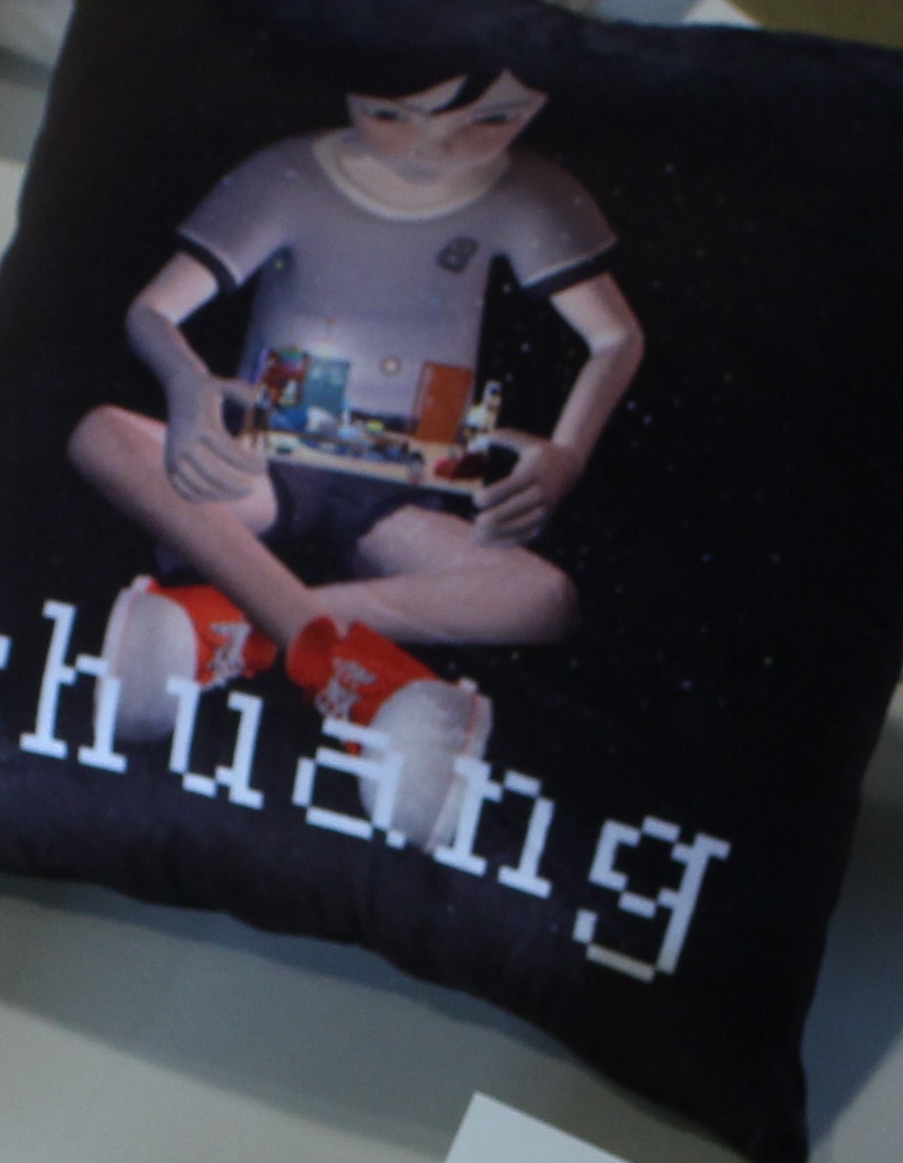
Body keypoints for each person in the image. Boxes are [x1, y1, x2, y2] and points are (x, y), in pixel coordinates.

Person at [77, 69, 641, 841]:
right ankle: (362, 678)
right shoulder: (287, 174)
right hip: (271, 459)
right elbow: (153, 309)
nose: (433, 147)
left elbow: (616, 337)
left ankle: (230, 624)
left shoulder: (533, 193)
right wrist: (186, 384)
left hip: (408, 482)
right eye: (394, 115)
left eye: (488, 120)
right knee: (102, 435)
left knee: (543, 599)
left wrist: (567, 455)